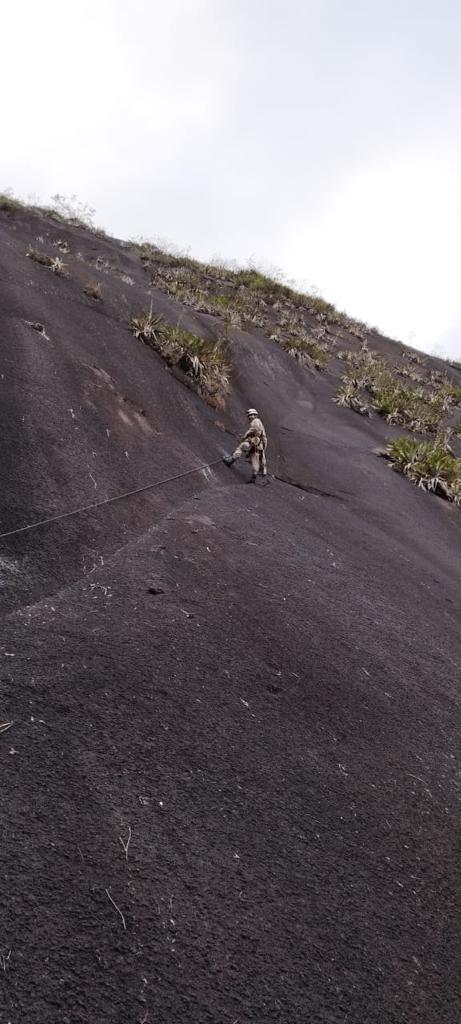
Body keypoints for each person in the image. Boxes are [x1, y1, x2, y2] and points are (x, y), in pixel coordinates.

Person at [223, 408, 268, 483]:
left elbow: (254, 429)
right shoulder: (260, 423)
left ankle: (231, 460)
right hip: (259, 446)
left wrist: (246, 435)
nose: (249, 417)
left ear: (254, 415)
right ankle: (254, 477)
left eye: (250, 415)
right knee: (254, 459)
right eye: (249, 415)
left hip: (255, 443)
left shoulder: (256, 421)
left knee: (242, 446)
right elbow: (264, 439)